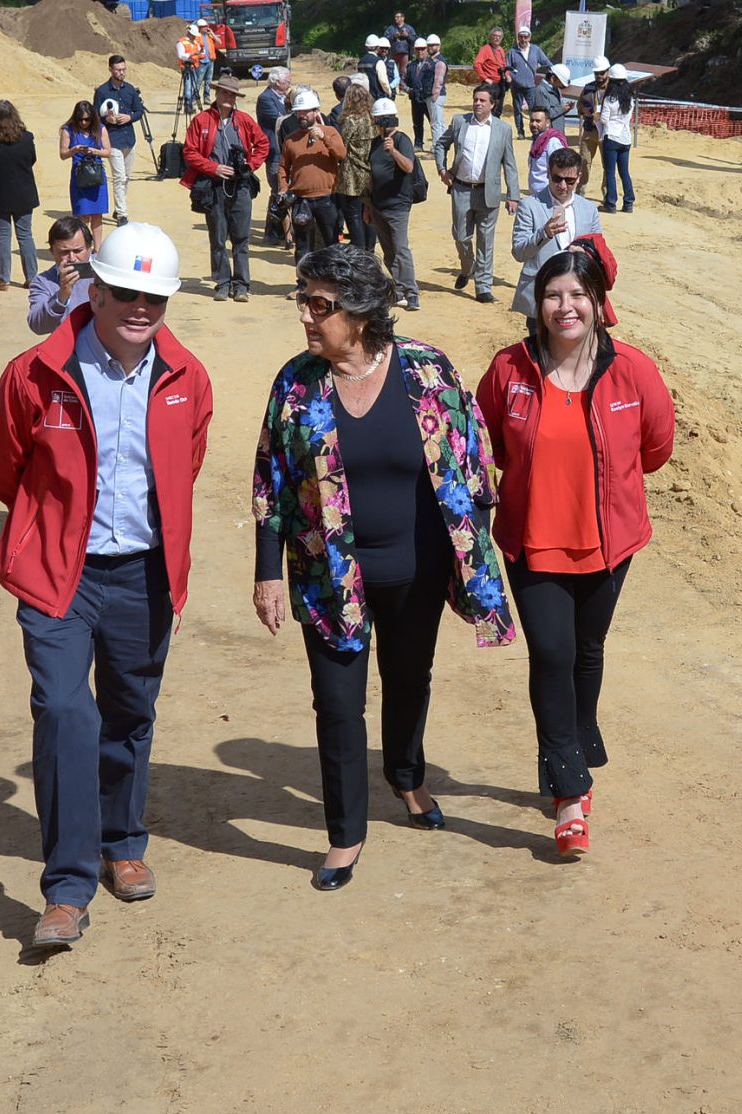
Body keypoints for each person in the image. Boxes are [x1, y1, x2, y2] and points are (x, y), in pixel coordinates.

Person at [252, 244, 514, 891]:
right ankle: (346, 835)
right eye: (303, 302)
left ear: (363, 312)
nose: (307, 318)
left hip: (416, 569)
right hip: (327, 575)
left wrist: (473, 550)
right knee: (337, 703)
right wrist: (266, 572)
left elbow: (471, 461)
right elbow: (272, 482)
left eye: (320, 305)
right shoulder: (296, 382)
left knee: (408, 678)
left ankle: (407, 774)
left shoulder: (426, 370)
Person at [0, 223, 213, 953]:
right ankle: (67, 886)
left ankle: (123, 840)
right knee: (62, 710)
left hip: (143, 572)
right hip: (62, 572)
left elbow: (188, 463)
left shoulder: (188, 379)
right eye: (124, 293)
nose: (139, 308)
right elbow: (4, 465)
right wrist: (49, 526)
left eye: (155, 297)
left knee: (129, 713)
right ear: (94, 288)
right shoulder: (35, 373)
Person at [475, 240, 673, 857]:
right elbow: (489, 446)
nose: (565, 306)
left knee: (589, 648)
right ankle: (568, 791)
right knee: (552, 653)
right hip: (532, 543)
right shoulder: (509, 369)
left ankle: (577, 737)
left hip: (610, 542)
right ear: (536, 303)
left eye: (577, 295)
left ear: (598, 302)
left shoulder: (632, 371)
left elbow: (656, 447)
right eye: (553, 294)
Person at [181, 76, 269, 301]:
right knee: (218, 237)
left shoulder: (245, 120)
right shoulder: (201, 120)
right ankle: (222, 282)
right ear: (217, 94)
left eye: (232, 95)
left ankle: (241, 285)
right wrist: (213, 168)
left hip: (240, 186)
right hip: (214, 186)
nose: (228, 98)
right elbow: (190, 151)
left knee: (241, 237)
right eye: (224, 93)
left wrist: (250, 165)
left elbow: (263, 144)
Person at [435, 83, 516, 304]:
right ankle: (467, 265)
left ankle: (483, 287)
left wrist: (513, 195)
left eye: (482, 101)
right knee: (461, 236)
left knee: (486, 241)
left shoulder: (503, 129)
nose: (477, 104)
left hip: (488, 192)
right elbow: (441, 144)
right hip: (461, 188)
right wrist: (442, 170)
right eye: (476, 99)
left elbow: (510, 164)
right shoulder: (460, 122)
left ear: (492, 104)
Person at [510, 147, 601, 317]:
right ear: (548, 174)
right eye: (557, 178)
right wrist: (543, 234)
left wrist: (585, 252)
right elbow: (519, 252)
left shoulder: (589, 210)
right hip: (541, 296)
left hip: (576, 299)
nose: (563, 186)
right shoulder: (529, 206)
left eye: (570, 180)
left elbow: (598, 252)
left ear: (579, 178)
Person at [0, 100, 41, 290]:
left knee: (2, 236)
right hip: (23, 193)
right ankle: (32, 278)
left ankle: (3, 278)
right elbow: (32, 160)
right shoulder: (27, 138)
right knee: (25, 235)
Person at [365, 97, 422, 312]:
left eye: (383, 120)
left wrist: (393, 151)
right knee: (388, 251)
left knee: (401, 249)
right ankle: (398, 290)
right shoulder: (375, 143)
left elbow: (408, 167)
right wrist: (367, 206)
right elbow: (371, 176)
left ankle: (411, 292)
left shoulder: (401, 140)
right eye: (379, 121)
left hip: (398, 204)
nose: (382, 125)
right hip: (378, 204)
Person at [278, 88, 346, 259]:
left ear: (315, 111)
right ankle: (303, 283)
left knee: (332, 243)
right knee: (303, 246)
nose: (301, 115)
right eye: (299, 112)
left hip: (328, 197)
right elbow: (283, 167)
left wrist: (324, 138)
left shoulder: (330, 131)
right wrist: (283, 188)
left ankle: (333, 281)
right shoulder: (290, 139)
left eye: (305, 111)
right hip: (301, 200)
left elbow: (342, 154)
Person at [27, 215, 94, 336]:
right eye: (64, 252)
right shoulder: (44, 282)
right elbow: (38, 326)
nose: (72, 258)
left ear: (89, 248)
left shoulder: (105, 273)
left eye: (78, 251)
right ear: (52, 251)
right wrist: (61, 296)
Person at [59, 100, 115, 243]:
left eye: (87, 119)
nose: (84, 123)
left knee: (97, 215)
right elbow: (63, 154)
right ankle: (84, 247)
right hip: (80, 177)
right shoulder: (68, 130)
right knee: (82, 215)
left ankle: (97, 248)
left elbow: (108, 152)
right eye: (80, 119)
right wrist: (74, 150)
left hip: (97, 175)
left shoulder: (100, 129)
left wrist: (95, 151)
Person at [333, 80, 377, 247]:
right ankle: (370, 249)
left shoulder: (351, 120)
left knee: (353, 214)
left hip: (351, 172)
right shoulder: (373, 119)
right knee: (369, 212)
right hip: (370, 171)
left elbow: (341, 147)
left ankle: (359, 249)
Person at [256, 67, 294, 246]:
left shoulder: (282, 98)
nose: (290, 83)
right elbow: (281, 120)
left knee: (286, 191)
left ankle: (282, 232)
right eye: (287, 80)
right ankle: (272, 232)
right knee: (277, 191)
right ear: (277, 82)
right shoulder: (265, 99)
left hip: (286, 150)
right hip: (275, 152)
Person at [597, 71, 638, 214]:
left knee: (610, 172)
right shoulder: (630, 98)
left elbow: (603, 119)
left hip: (611, 137)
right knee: (624, 172)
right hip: (625, 138)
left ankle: (611, 203)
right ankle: (628, 202)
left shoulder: (610, 99)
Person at [506, 28, 553, 139]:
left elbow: (546, 62)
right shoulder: (512, 51)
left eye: (526, 37)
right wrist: (509, 76)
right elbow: (507, 67)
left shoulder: (536, 50)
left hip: (531, 85)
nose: (523, 39)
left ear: (529, 37)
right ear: (518, 38)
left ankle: (535, 132)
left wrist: (553, 71)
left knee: (533, 109)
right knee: (517, 109)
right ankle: (520, 132)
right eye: (521, 37)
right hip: (517, 85)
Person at [401, 35, 440, 147]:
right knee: (417, 123)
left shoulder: (432, 65)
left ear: (427, 49)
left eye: (422, 49)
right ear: (414, 50)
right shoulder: (410, 66)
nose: (420, 52)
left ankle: (436, 144)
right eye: (418, 49)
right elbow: (403, 81)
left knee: (433, 122)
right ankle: (418, 144)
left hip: (428, 99)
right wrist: (409, 90)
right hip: (415, 98)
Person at [473, 28, 508, 122]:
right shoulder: (485, 49)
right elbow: (476, 64)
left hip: (501, 83)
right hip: (490, 84)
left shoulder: (501, 50)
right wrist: (485, 78)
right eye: (495, 36)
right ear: (491, 37)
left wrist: (508, 75)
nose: (497, 38)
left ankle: (495, 126)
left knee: (498, 108)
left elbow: (504, 65)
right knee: (489, 107)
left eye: (499, 36)